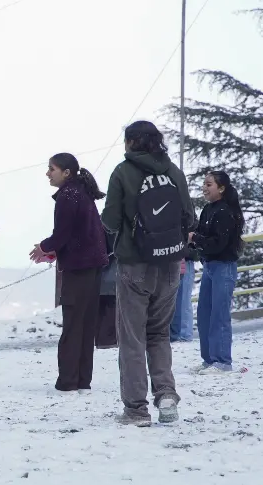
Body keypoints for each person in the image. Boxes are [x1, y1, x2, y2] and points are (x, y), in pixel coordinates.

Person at [100, 121, 196, 426]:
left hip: (135, 264)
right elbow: (190, 218)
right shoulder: (173, 172)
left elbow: (111, 221)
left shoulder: (122, 172)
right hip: (170, 265)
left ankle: (136, 410)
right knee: (159, 333)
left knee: (132, 338)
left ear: (130, 143)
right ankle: (166, 395)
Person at [30, 153, 109, 392]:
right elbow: (79, 233)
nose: (47, 173)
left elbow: (62, 233)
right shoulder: (81, 193)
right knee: (86, 324)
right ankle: (82, 379)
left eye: (51, 169)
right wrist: (54, 251)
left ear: (66, 172)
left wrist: (44, 247)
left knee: (73, 324)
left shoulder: (68, 195)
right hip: (93, 265)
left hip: (79, 267)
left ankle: (68, 381)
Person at [191, 170, 244, 374]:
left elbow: (218, 243)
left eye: (209, 184)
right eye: (204, 184)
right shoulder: (207, 209)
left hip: (224, 267)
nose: (204, 187)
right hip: (209, 266)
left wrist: (196, 239)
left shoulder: (225, 212)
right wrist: (194, 239)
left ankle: (222, 361)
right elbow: (203, 237)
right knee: (204, 313)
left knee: (219, 314)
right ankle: (209, 359)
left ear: (221, 188)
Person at [97, 229, 119, 349]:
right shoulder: (112, 229)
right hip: (112, 273)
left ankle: (102, 340)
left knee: (103, 309)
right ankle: (108, 340)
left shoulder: (99, 225)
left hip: (100, 275)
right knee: (111, 308)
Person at [170, 257, 195, 342]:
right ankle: (175, 334)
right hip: (171, 264)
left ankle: (185, 335)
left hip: (184, 263)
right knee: (172, 303)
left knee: (184, 302)